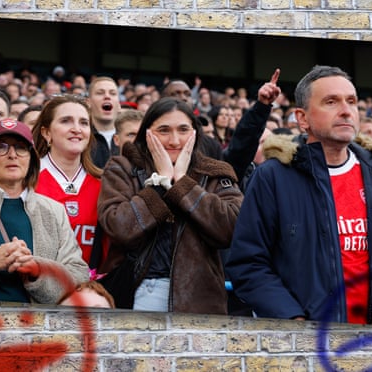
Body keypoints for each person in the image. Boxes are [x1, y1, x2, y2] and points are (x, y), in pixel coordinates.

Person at [226, 65, 372, 324]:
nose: (346, 110)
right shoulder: (272, 178)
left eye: (351, 101)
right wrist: (292, 317)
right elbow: (248, 264)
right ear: (302, 118)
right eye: (331, 102)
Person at [97, 97, 244, 314]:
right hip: (140, 288)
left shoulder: (214, 172)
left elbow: (232, 228)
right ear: (147, 132)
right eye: (164, 130)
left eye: (183, 129)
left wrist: (183, 184)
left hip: (200, 295)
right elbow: (118, 227)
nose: (175, 140)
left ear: (195, 132)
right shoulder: (123, 167)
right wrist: (160, 184)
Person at [0, 118, 89, 303]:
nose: (12, 155)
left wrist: (37, 269)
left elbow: (79, 276)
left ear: (31, 159)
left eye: (21, 147)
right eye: (1, 147)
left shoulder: (54, 211)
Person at [32, 95, 105, 271]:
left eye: (84, 123)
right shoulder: (26, 179)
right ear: (46, 132)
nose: (77, 129)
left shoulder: (104, 184)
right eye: (66, 121)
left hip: (87, 290)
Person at [88, 76, 121, 168]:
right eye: (100, 93)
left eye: (113, 93)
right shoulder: (80, 137)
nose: (107, 96)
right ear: (88, 102)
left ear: (119, 105)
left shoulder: (130, 138)